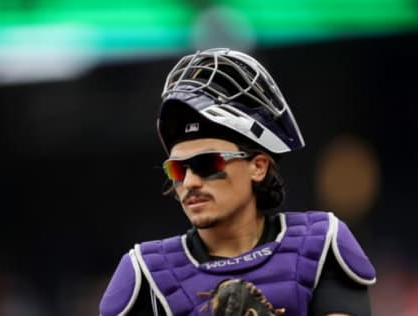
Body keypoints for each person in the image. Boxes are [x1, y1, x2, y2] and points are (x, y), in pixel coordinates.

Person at [99, 48, 376, 316]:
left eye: (207, 163)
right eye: (178, 169)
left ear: (258, 166)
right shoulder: (143, 276)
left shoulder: (323, 243)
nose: (191, 182)